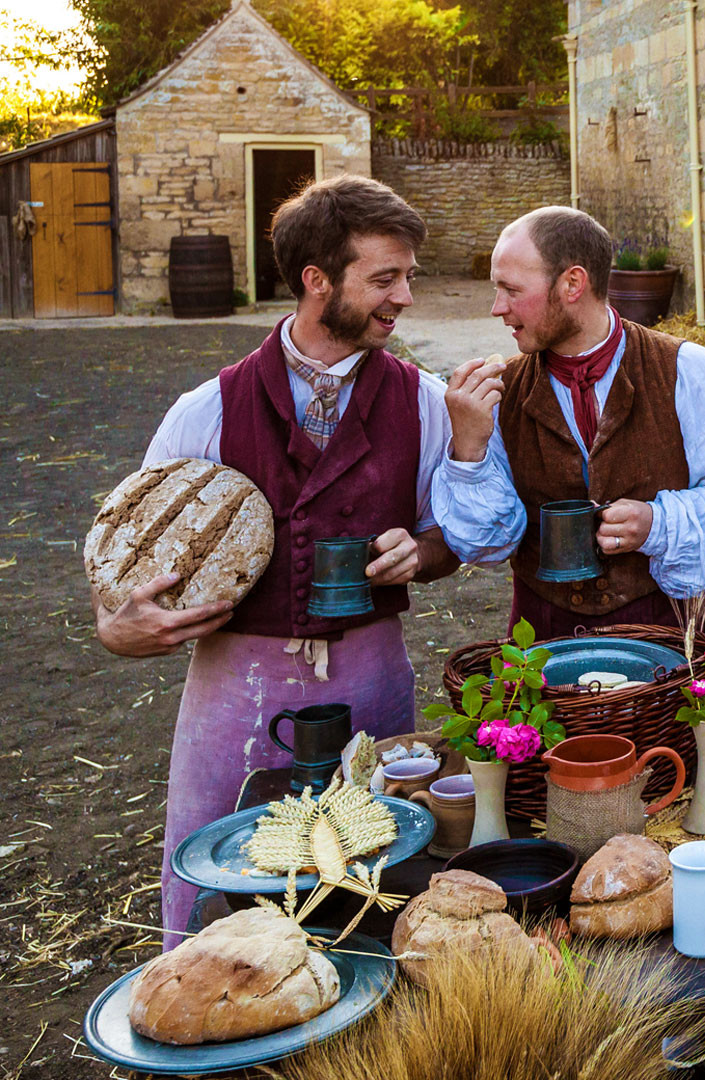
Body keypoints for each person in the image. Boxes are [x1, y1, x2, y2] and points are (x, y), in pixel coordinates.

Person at [91, 175, 461, 942]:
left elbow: (449, 539)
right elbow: (125, 575)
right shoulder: (205, 410)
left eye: (408, 277)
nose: (405, 298)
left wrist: (419, 552)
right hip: (235, 694)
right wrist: (117, 630)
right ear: (317, 281)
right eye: (384, 278)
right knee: (218, 897)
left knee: (372, 888)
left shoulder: (424, 399)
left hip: (373, 685)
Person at [431, 207, 705, 638]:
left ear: (573, 283)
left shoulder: (689, 368)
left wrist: (656, 523)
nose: (498, 308)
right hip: (541, 644)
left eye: (512, 290)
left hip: (662, 640)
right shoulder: (499, 391)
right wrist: (468, 451)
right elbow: (485, 546)